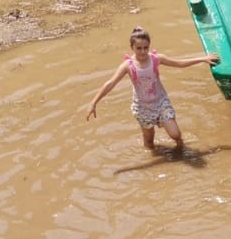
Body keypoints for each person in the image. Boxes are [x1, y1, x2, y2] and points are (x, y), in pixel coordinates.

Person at [85, 26, 219, 151]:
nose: (143, 52)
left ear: (149, 46)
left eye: (145, 47)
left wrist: (202, 58)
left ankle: (181, 149)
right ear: (132, 47)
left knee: (175, 134)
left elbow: (179, 63)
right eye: (139, 48)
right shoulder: (128, 66)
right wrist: (93, 103)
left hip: (161, 103)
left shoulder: (156, 59)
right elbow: (110, 83)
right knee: (149, 142)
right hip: (142, 107)